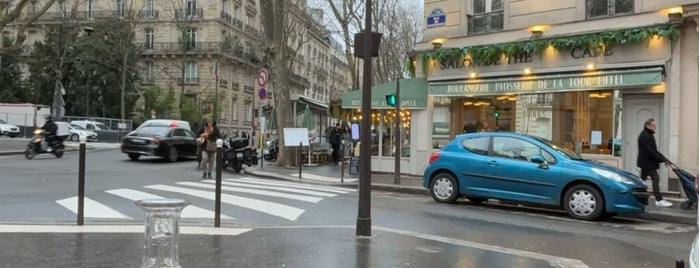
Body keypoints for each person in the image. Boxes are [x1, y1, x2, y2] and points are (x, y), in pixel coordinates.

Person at [637, 118, 672, 208]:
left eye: (655, 125)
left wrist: (663, 158)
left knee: (642, 180)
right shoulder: (645, 136)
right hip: (647, 162)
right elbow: (650, 151)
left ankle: (637, 196)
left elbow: (653, 150)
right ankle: (659, 200)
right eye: (653, 125)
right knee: (655, 178)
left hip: (646, 162)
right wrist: (662, 159)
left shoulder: (648, 134)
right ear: (648, 125)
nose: (655, 127)